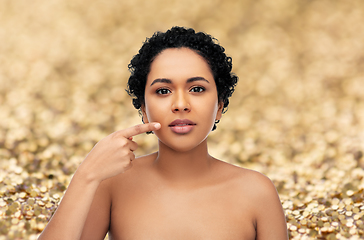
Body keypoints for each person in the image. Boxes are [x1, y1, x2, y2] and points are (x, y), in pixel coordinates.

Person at [38, 26, 288, 240]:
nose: (180, 104)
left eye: (197, 89)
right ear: (144, 109)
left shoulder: (257, 192)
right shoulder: (112, 185)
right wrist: (86, 175)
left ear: (220, 106)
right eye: (163, 91)